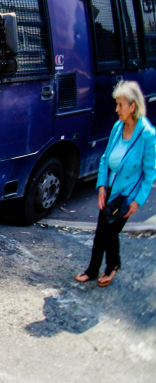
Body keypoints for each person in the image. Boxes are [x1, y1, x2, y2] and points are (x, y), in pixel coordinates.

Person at [76, 81, 154, 287]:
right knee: (101, 232)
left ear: (133, 107)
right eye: (117, 104)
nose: (116, 109)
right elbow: (104, 159)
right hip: (110, 191)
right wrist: (101, 186)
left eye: (120, 105)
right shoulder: (118, 127)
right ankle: (94, 270)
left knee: (109, 233)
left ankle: (111, 266)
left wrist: (137, 201)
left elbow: (150, 172)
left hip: (126, 196)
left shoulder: (147, 134)